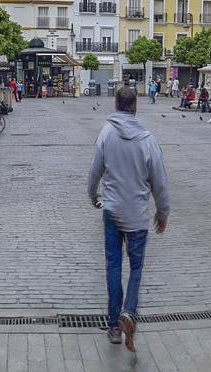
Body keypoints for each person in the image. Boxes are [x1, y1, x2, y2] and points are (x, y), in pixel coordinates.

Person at [87, 87, 170, 352]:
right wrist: (162, 212)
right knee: (135, 269)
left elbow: (94, 171)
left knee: (113, 266)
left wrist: (93, 195)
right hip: (137, 215)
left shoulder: (106, 133)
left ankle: (114, 325)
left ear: (115, 103)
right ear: (135, 106)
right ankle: (129, 313)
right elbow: (160, 181)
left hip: (112, 211)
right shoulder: (147, 139)